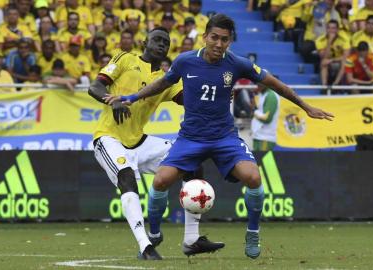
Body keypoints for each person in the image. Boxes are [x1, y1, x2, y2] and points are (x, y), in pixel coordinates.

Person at [104, 14, 334, 259]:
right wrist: (132, 97)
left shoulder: (237, 64)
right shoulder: (185, 61)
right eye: (214, 37)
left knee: (254, 178)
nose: (218, 43)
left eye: (224, 39)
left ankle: (253, 231)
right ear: (205, 37)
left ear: (230, 42)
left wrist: (305, 106)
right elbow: (162, 83)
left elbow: (274, 83)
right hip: (190, 138)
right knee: (160, 181)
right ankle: (155, 233)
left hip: (224, 138)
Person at [88, 27, 223, 260]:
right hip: (108, 138)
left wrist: (217, 93)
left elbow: (190, 100)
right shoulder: (125, 58)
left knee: (191, 163)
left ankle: (191, 239)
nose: (162, 44)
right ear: (144, 42)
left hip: (139, 141)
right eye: (157, 39)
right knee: (127, 177)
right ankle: (145, 246)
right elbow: (95, 87)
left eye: (166, 42)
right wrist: (112, 101)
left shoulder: (167, 79)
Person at [251, 84, 280, 151]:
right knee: (260, 161)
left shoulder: (271, 96)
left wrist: (254, 111)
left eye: (260, 81)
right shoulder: (263, 94)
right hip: (259, 135)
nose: (257, 84)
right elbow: (261, 112)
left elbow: (267, 118)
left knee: (266, 161)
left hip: (265, 137)